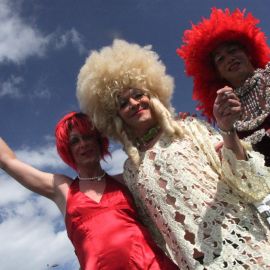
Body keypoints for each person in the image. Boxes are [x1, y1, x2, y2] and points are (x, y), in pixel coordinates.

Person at [76, 39, 270, 269]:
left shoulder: (189, 128)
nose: (134, 103)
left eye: (138, 94)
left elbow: (249, 183)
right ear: (115, 116)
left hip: (249, 248)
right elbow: (158, 233)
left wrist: (227, 129)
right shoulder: (131, 170)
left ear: (153, 95)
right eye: (123, 103)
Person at [0, 112, 179, 270]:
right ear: (67, 149)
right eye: (74, 141)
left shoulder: (125, 179)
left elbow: (166, 165)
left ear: (98, 141)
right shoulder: (63, 189)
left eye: (88, 137)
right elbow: (8, 161)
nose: (83, 144)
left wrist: (176, 128)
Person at [177, 8, 270, 166]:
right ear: (218, 73)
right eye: (220, 59)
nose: (229, 59)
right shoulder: (226, 111)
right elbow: (240, 165)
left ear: (248, 53)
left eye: (233, 51)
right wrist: (224, 129)